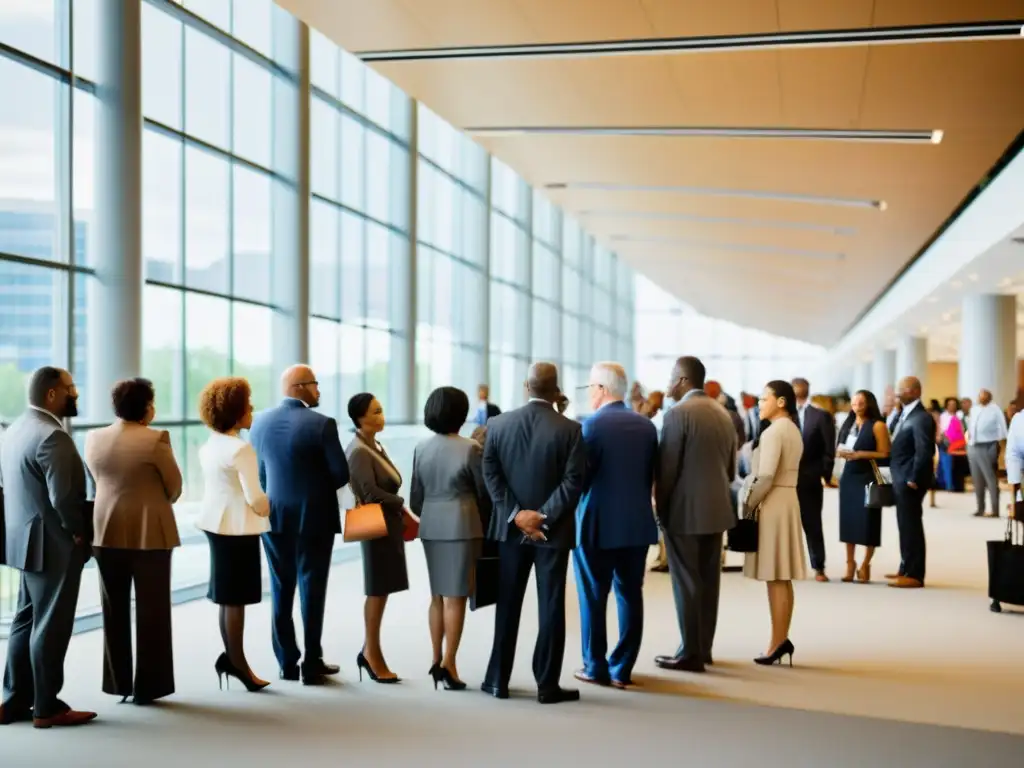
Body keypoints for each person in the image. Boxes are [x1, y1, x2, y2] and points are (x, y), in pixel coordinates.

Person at [480, 362, 586, 704]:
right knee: (552, 606)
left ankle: (498, 680)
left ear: (527, 387)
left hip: (510, 533)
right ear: (556, 391)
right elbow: (573, 482)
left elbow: (490, 472)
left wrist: (515, 515)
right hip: (552, 534)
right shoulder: (570, 429)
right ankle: (547, 685)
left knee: (507, 604)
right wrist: (542, 517)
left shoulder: (497, 424)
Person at [0, 367, 96, 728]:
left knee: (25, 621)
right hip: (53, 545)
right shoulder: (53, 436)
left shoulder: (15, 431)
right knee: (51, 625)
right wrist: (77, 533)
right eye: (71, 389)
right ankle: (47, 706)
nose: (76, 395)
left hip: (22, 541)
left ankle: (13, 700)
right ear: (52, 394)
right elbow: (65, 499)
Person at [85, 378, 183, 704]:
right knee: (152, 610)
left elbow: (99, 480)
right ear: (146, 407)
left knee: (113, 609)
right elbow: (174, 488)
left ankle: (118, 683)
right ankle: (150, 686)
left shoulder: (93, 438)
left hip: (106, 532)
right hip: (149, 534)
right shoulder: (156, 439)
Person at [249, 365, 349, 686]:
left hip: (274, 517)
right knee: (312, 588)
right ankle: (312, 661)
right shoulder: (322, 424)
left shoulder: (259, 422)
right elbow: (340, 475)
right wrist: (312, 484)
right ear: (298, 388)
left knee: (281, 588)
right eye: (315, 384)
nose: (319, 390)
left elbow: (260, 472)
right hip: (315, 517)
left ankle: (286, 663)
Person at [572, 363, 658, 688]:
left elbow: (580, 478)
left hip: (595, 524)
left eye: (591, 388)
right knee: (630, 594)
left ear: (602, 390)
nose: (590, 394)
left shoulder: (590, 426)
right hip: (636, 525)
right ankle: (622, 669)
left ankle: (595, 666)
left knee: (593, 595)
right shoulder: (647, 427)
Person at [654, 357, 736, 673]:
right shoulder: (723, 413)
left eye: (671, 377)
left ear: (684, 380)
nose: (668, 383)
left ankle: (689, 652)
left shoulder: (677, 415)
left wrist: (661, 509)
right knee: (708, 581)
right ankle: (703, 648)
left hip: (685, 511)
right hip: (717, 509)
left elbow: (667, 470)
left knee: (686, 581)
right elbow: (730, 469)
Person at [410, 387, 491, 691]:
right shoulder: (471, 448)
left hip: (431, 526)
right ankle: (450, 664)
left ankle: (435, 658)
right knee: (456, 598)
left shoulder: (421, 448)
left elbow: (415, 499)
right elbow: (484, 493)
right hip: (462, 525)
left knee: (437, 597)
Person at [196, 377, 271, 692]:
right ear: (235, 411)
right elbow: (256, 498)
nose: (251, 408)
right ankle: (237, 663)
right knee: (235, 599)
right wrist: (269, 505)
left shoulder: (210, 443)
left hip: (216, 524)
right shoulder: (241, 448)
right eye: (247, 404)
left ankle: (232, 659)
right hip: (238, 526)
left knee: (227, 597)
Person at [741, 380, 805, 666]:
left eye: (764, 398)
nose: (759, 403)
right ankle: (780, 639)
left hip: (774, 502)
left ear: (781, 401)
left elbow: (765, 476)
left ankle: (777, 642)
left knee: (776, 576)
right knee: (781, 576)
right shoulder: (791, 428)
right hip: (787, 500)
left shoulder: (774, 431)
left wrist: (748, 502)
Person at [346, 393, 408, 684]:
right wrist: (399, 502)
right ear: (361, 418)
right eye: (376, 411)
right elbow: (369, 494)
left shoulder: (375, 445)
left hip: (387, 523)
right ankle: (371, 652)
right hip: (376, 523)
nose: (381, 416)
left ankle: (369, 649)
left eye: (381, 410)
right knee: (377, 588)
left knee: (381, 589)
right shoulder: (359, 450)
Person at [834, 390, 890, 583]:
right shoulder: (848, 423)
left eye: (861, 402)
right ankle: (850, 563)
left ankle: (866, 562)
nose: (856, 405)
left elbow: (884, 453)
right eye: (854, 402)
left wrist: (860, 454)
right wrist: (841, 453)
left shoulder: (878, 425)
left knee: (868, 521)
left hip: (868, 476)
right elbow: (839, 446)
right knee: (848, 520)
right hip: (849, 476)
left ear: (869, 404)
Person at [887, 377, 935, 589]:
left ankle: (915, 574)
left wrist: (914, 478)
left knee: (911, 525)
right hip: (900, 477)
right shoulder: (904, 413)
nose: (898, 393)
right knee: (904, 525)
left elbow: (925, 451)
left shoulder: (922, 417)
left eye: (903, 390)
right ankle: (905, 566)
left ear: (916, 392)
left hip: (910, 479)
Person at [792, 378, 836, 582]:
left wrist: (825, 474)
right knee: (786, 524)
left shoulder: (820, 416)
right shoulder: (783, 416)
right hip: (785, 480)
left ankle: (818, 566)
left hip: (810, 478)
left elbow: (829, 449)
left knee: (812, 523)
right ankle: (788, 565)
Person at [966, 388, 1008, 518]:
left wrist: (996, 443)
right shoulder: (974, 409)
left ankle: (995, 510)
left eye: (984, 396)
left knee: (990, 479)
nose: (981, 398)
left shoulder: (995, 409)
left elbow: (1003, 429)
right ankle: (980, 508)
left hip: (988, 445)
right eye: (980, 396)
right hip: (973, 445)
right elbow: (971, 426)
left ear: (989, 397)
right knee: (977, 479)